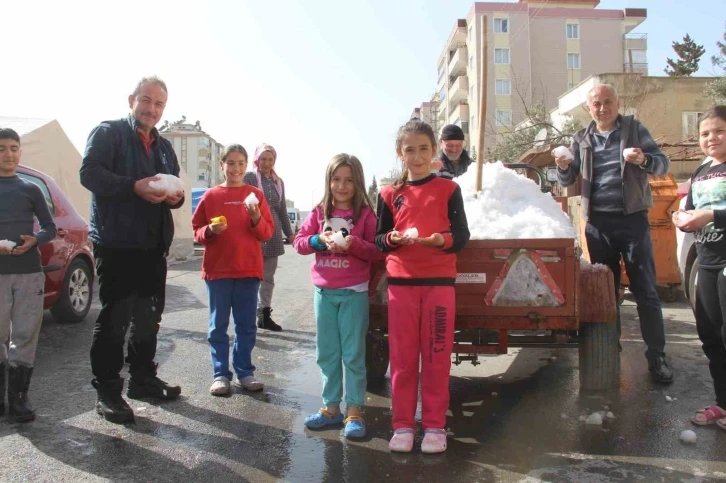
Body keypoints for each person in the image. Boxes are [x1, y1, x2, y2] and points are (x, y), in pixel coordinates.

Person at [79, 76, 185, 424]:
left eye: (158, 104)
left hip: (153, 246)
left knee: (149, 318)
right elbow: (89, 174)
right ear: (131, 100)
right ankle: (108, 391)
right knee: (115, 319)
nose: (151, 109)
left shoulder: (165, 147)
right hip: (117, 243)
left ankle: (142, 379)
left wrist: (176, 197)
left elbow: (176, 190)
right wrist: (133, 187)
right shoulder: (108, 133)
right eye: (146, 100)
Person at [553, 84, 674, 384]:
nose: (603, 108)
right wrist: (563, 165)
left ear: (618, 103)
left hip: (632, 221)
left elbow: (662, 164)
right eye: (597, 103)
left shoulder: (634, 129)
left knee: (646, 291)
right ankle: (610, 349)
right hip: (598, 225)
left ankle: (657, 356)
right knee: (607, 292)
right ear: (588, 108)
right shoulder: (581, 138)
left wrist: (643, 160)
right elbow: (568, 178)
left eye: (608, 102)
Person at [376, 120, 470, 453]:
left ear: (435, 152)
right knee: (402, 359)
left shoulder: (449, 190)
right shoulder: (389, 193)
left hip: (439, 286)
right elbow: (378, 238)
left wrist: (439, 240)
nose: (417, 157)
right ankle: (402, 425)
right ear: (400, 152)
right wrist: (391, 238)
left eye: (424, 149)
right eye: (410, 150)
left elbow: (461, 237)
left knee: (436, 357)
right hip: (401, 285)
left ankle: (434, 426)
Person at [293, 154, 379, 439]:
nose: (342, 186)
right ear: (329, 181)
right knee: (327, 353)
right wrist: (319, 240)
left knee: (353, 354)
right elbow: (299, 242)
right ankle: (331, 408)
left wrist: (354, 244)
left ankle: (354, 410)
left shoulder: (366, 214)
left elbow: (377, 251)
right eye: (336, 179)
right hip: (324, 294)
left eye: (349, 180)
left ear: (358, 183)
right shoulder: (319, 211)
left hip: (354, 293)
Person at [192, 144, 274, 396]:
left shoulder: (255, 195)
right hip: (218, 272)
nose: (235, 168)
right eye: (230, 163)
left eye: (240, 163)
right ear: (221, 165)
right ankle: (220, 375)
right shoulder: (211, 196)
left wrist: (256, 217)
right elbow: (197, 231)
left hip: (248, 271)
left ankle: (245, 372)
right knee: (218, 326)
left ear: (247, 166)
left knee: (246, 325)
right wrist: (209, 231)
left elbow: (267, 232)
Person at [672, 106, 726, 428]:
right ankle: (723, 403)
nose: (711, 138)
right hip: (706, 264)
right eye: (705, 133)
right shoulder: (701, 172)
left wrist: (710, 216)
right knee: (711, 337)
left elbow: (707, 213)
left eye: (719, 130)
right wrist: (680, 218)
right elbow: (688, 208)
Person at [0, 128, 57, 422]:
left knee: (24, 335)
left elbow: (50, 227)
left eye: (13, 148)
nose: (8, 154)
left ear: (20, 152)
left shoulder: (30, 188)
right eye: (1, 149)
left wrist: (35, 240)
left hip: (28, 273)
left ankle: (19, 399)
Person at [243, 144, 294, 332]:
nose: (266, 163)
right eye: (263, 159)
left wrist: (290, 234)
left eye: (270, 159)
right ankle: (247, 315)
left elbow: (281, 210)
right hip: (253, 231)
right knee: (249, 276)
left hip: (272, 233)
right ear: (256, 159)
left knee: (268, 277)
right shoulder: (249, 177)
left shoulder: (278, 182)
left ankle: (263, 315)